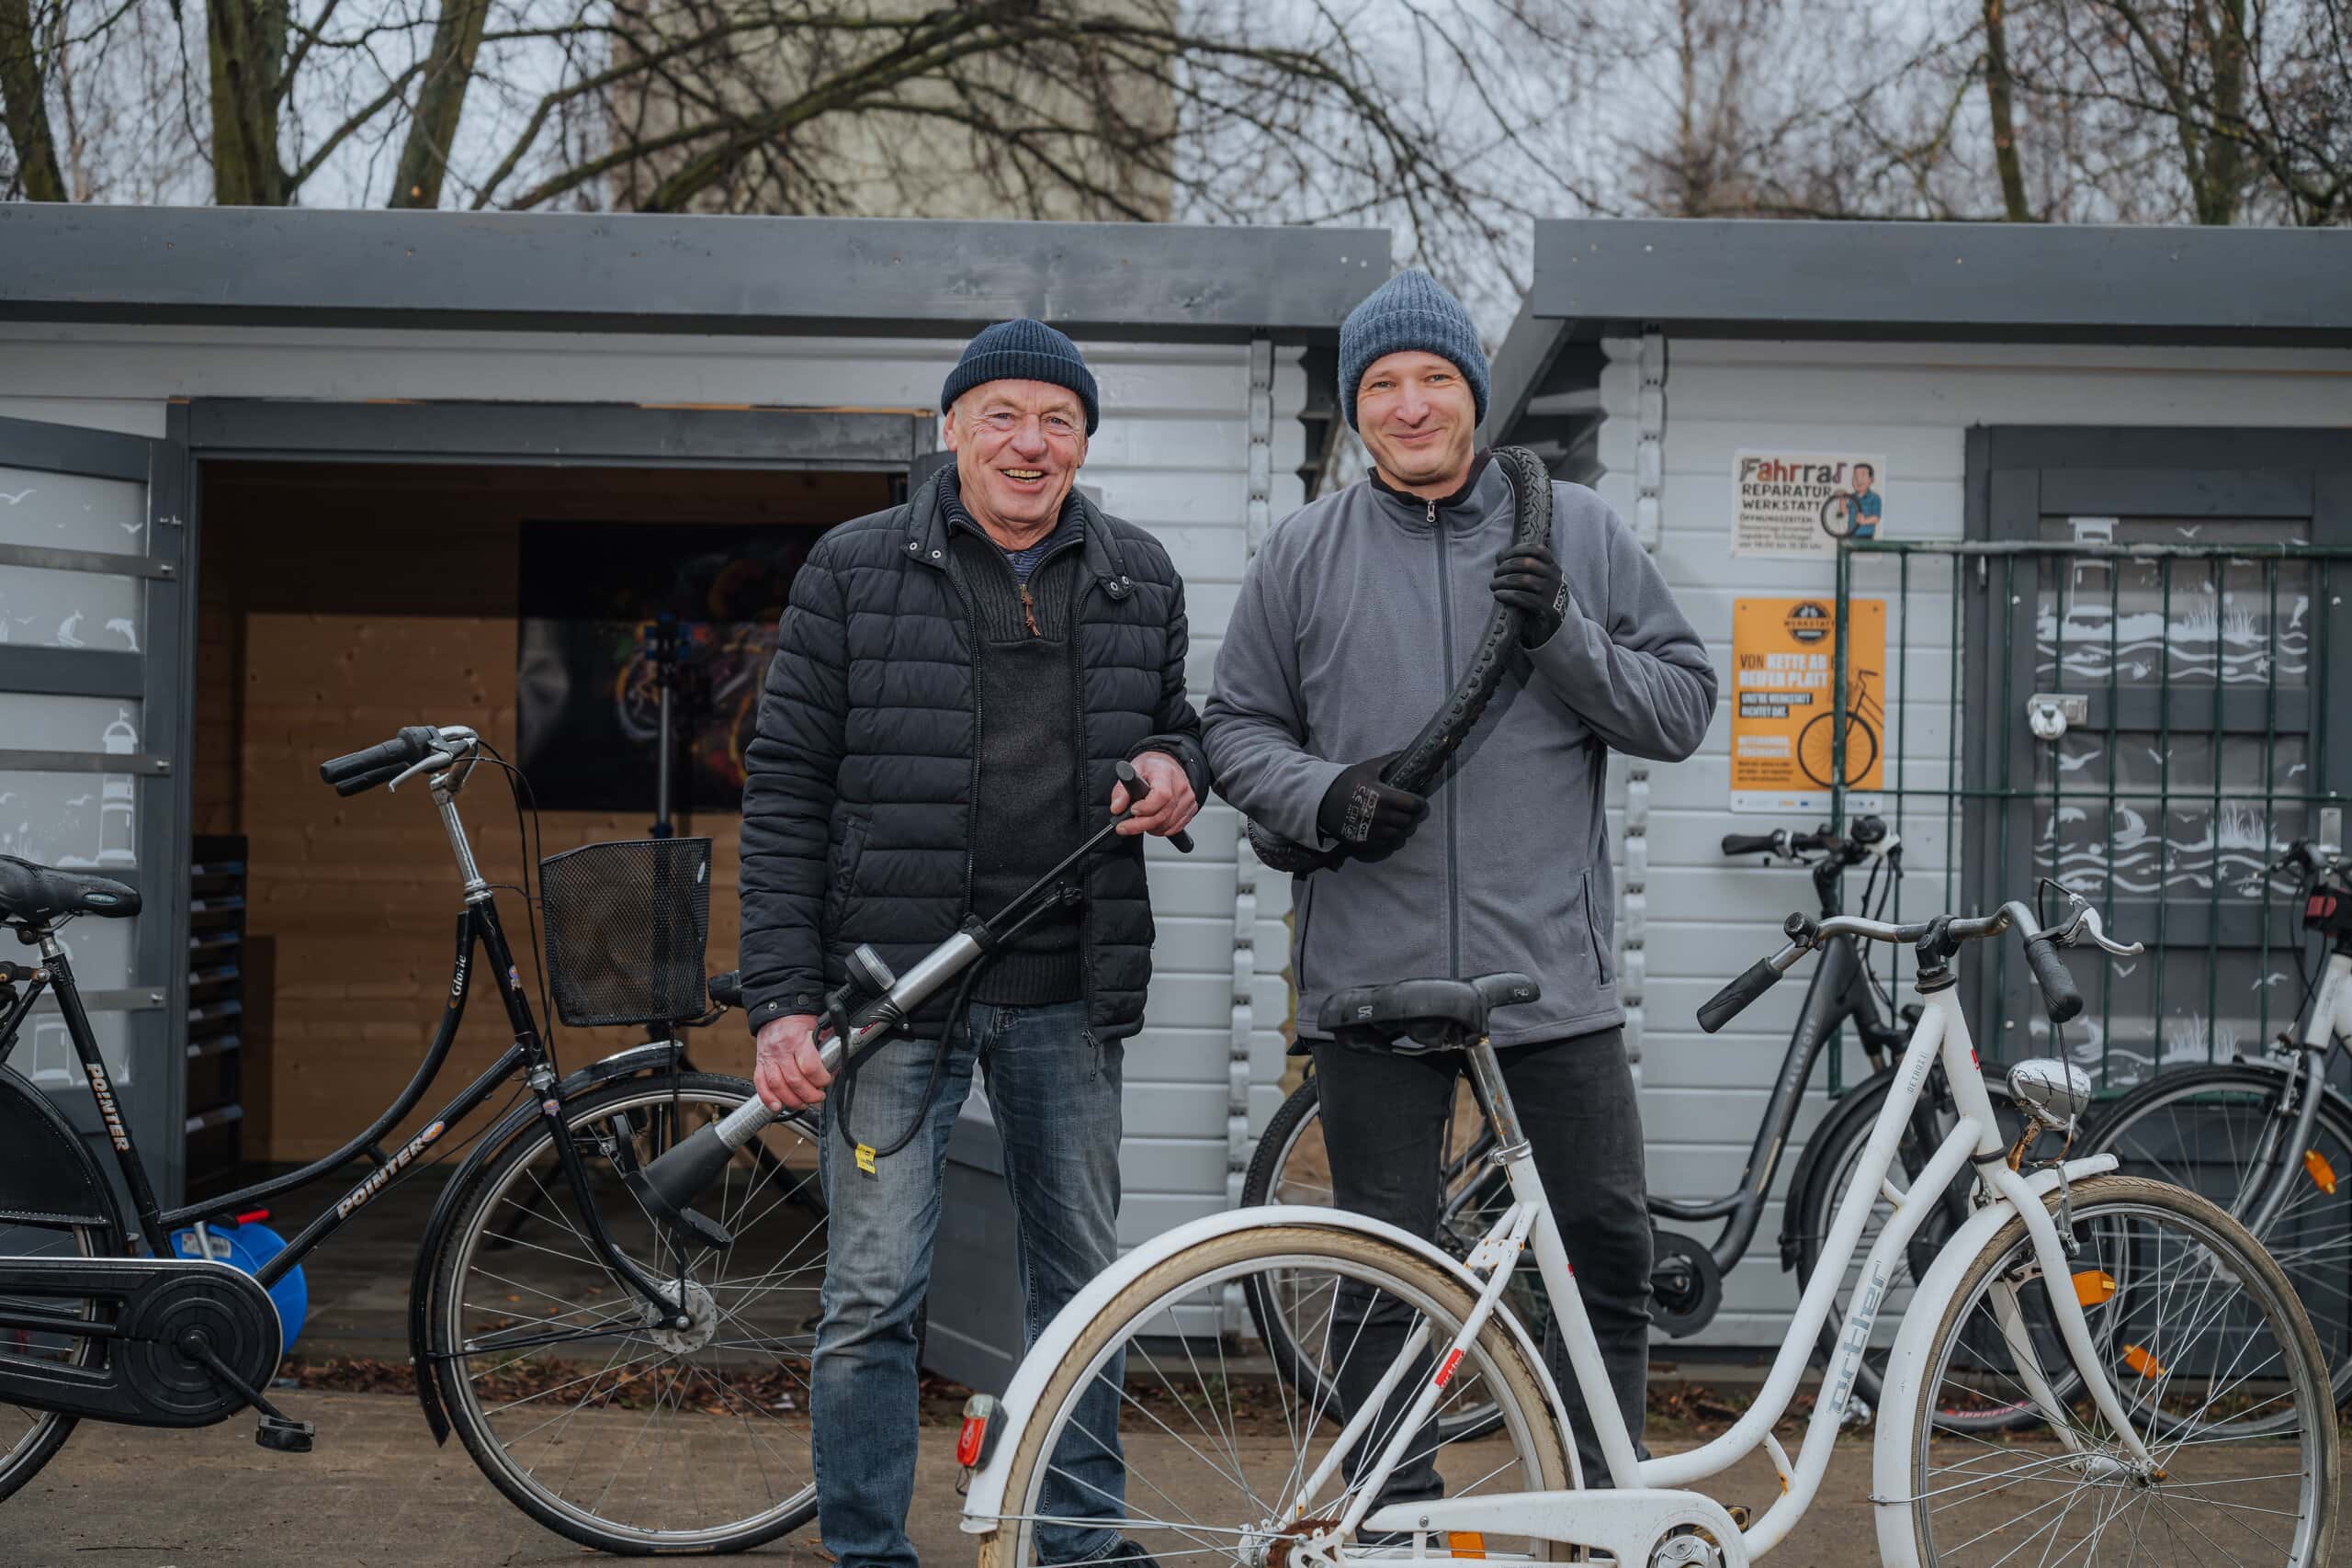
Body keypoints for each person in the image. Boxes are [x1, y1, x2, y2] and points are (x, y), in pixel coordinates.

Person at [1203, 270, 1717, 1493]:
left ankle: (1603, 1503)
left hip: (1550, 975)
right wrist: (1325, 795)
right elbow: (1234, 731)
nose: (1411, 404)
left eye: (1434, 377)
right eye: (1382, 384)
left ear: (1474, 395)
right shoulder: (1301, 552)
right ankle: (1394, 1515)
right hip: (1372, 977)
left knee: (1602, 1245)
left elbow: (1683, 704)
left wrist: (1562, 638)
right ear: (1355, 410)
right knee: (1387, 1263)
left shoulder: (1576, 530)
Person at [737, 318, 1205, 1568]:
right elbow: (783, 786)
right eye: (1000, 412)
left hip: (1067, 987)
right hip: (893, 998)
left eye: (1057, 418)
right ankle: (868, 1547)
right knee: (875, 1293)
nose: (1029, 441)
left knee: (1084, 1287)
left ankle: (1079, 1538)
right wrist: (783, 1002)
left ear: (1085, 440)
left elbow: (1176, 729)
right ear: (949, 427)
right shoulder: (851, 567)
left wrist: (1176, 766)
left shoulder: (1138, 574)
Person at [1844, 462, 1882, 539]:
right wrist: (1842, 499)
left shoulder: (1874, 497)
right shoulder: (1852, 497)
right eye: (1855, 476)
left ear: (1871, 479)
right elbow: (1845, 511)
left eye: (1863, 475)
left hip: (1865, 534)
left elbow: (1876, 518)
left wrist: (1864, 521)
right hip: (1851, 533)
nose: (1858, 479)